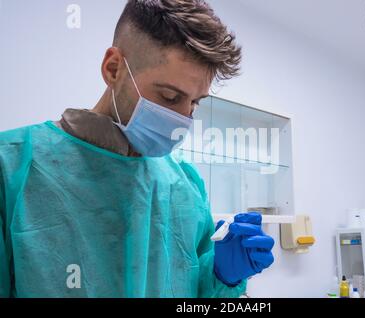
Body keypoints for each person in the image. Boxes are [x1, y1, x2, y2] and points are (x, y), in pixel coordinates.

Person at [0, 0, 274, 298]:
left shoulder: (185, 185)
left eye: (195, 103)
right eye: (170, 97)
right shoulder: (12, 165)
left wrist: (222, 277)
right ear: (113, 68)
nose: (183, 119)